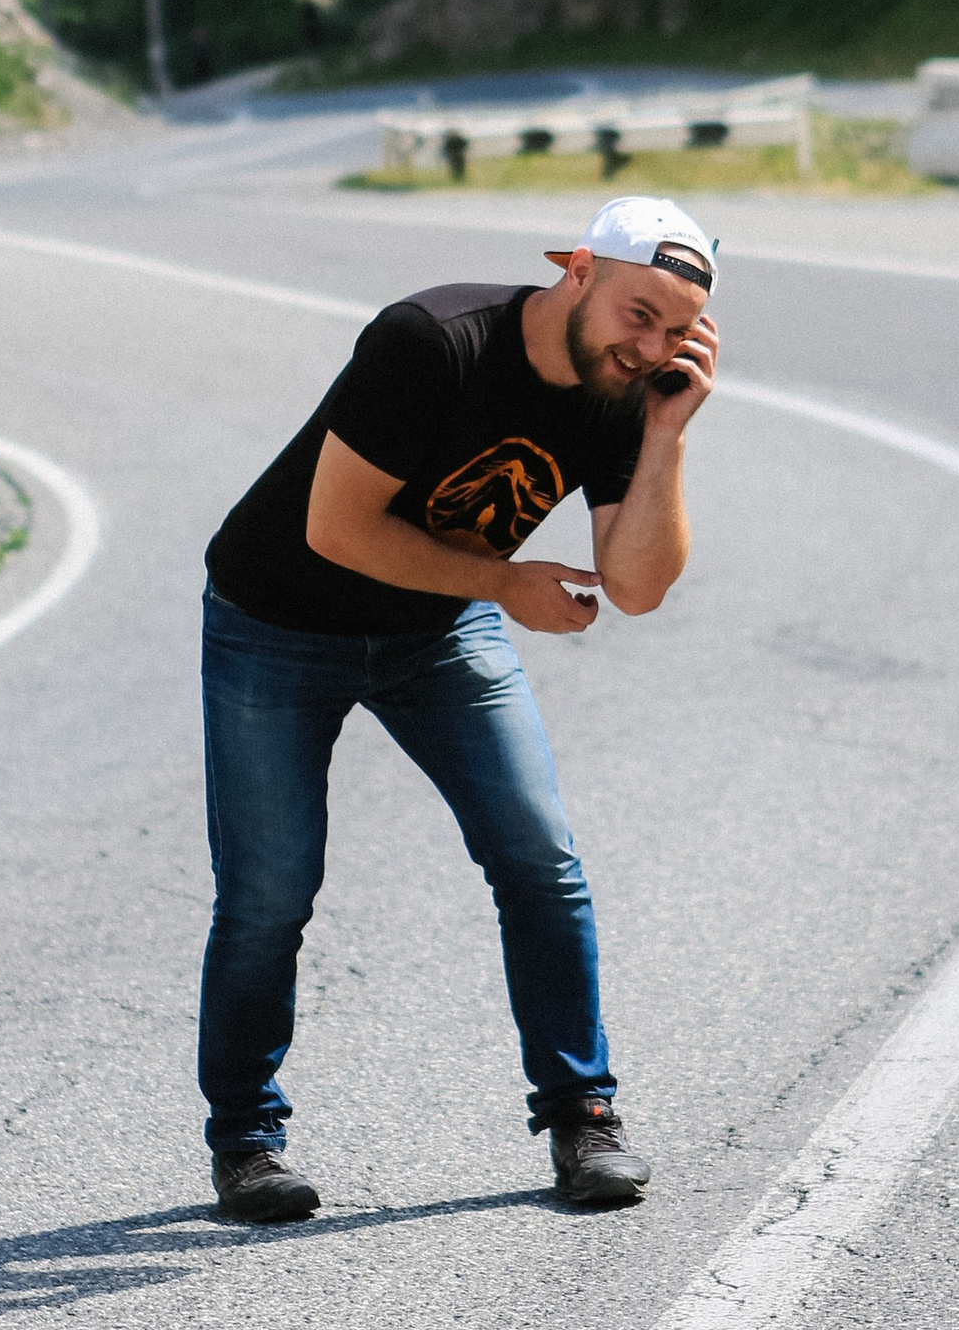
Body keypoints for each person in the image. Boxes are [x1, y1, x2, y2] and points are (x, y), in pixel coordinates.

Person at [196, 195, 720, 1223]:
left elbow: (640, 585)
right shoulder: (431, 341)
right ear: (578, 271)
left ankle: (583, 1115)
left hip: (438, 627)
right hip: (277, 620)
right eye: (636, 314)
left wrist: (665, 435)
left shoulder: (628, 393)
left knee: (538, 858)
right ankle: (247, 1143)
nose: (648, 345)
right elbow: (336, 530)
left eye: (674, 330)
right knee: (269, 895)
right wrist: (508, 584)